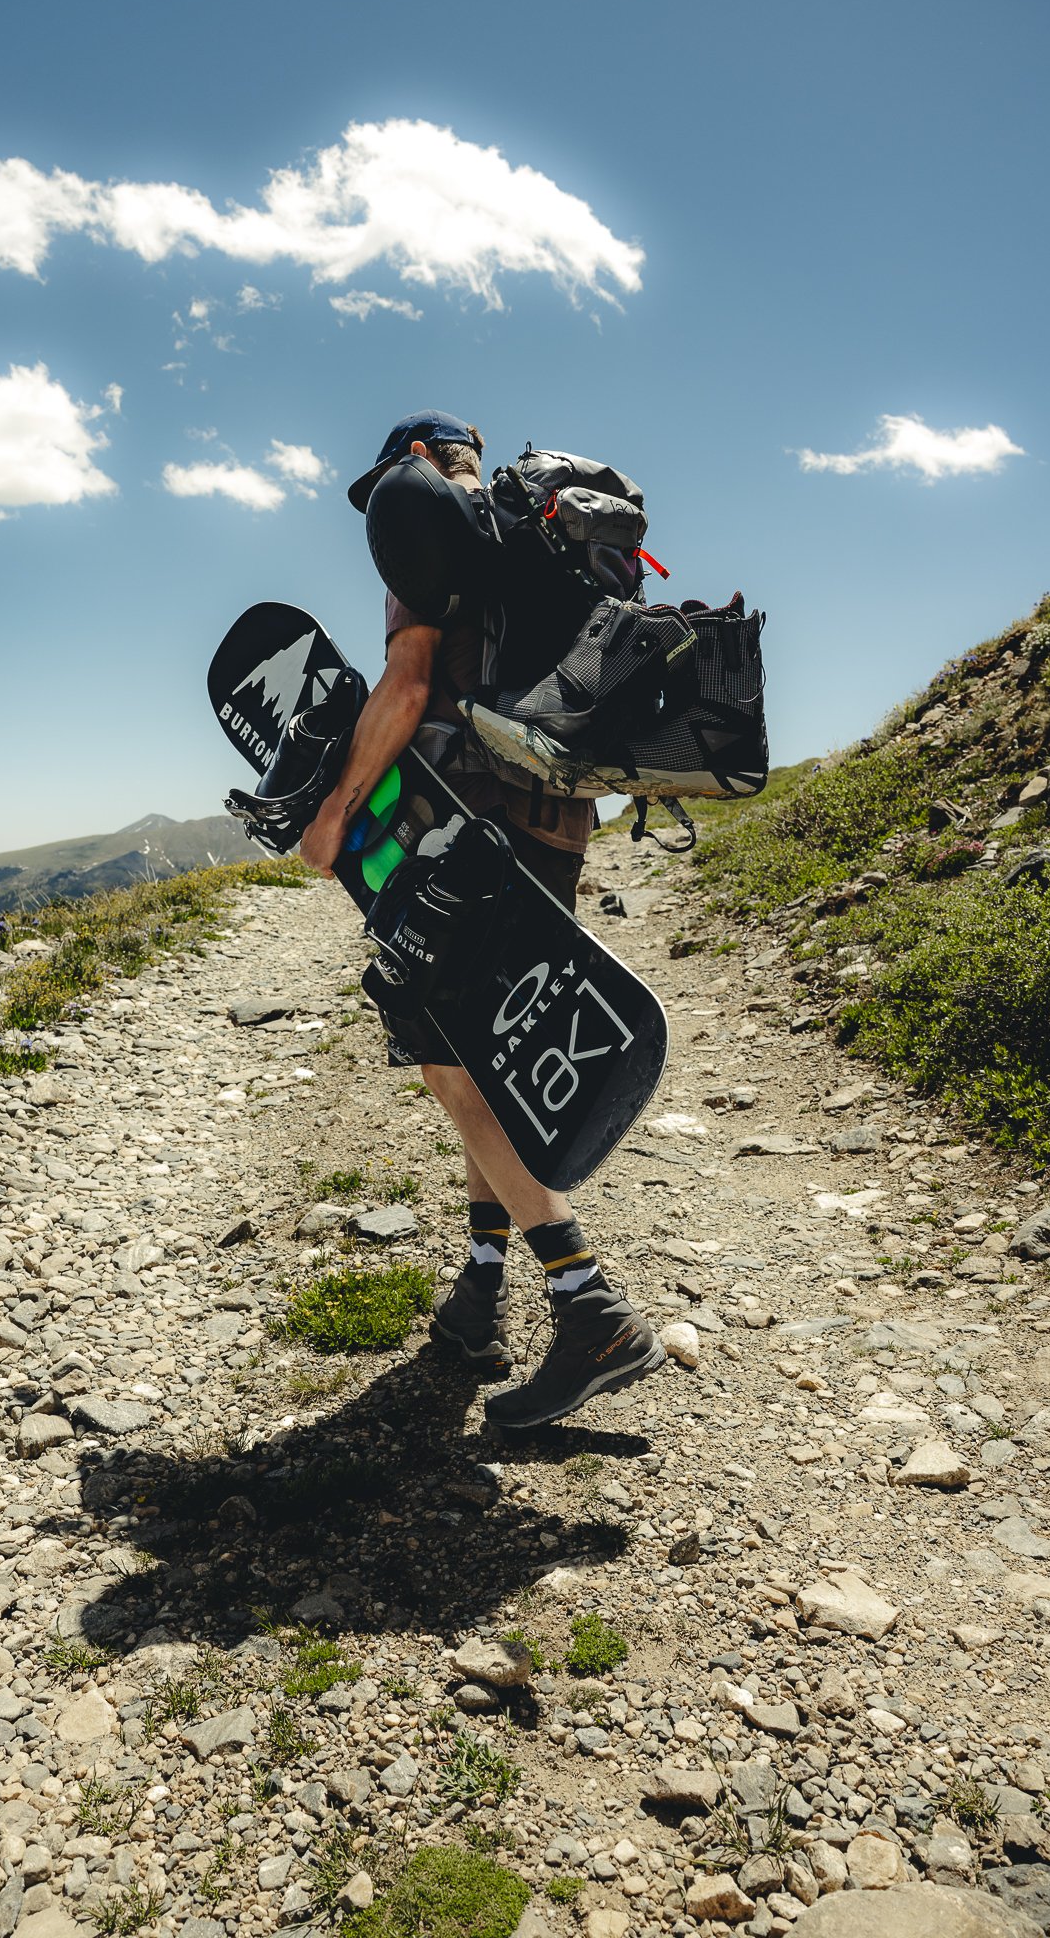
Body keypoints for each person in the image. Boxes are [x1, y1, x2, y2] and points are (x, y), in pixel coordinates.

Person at [299, 410, 667, 1430]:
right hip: (553, 818)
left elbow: (408, 682)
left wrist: (334, 816)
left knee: (451, 1062)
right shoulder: (537, 538)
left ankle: (589, 1308)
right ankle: (478, 1290)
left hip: (466, 822)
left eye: (387, 479)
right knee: (494, 1057)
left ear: (416, 462)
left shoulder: (425, 524)